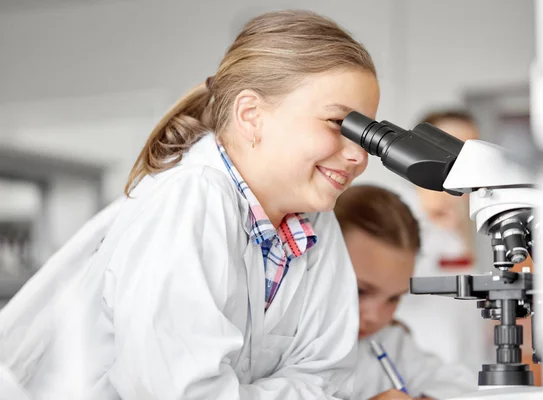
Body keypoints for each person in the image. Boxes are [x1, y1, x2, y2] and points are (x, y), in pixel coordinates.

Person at [0, 10, 380, 399]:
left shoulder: (315, 223)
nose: (358, 156)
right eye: (338, 124)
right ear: (251, 116)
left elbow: (331, 379)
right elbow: (181, 393)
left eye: (366, 135)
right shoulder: (189, 199)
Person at [334, 185, 477, 400]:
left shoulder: (389, 342)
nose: (375, 317)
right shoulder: (283, 333)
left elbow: (454, 383)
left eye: (394, 298)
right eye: (360, 291)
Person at [394, 110, 496, 376]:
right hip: (419, 381)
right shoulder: (397, 220)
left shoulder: (458, 225)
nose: (467, 162)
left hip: (466, 377)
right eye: (454, 148)